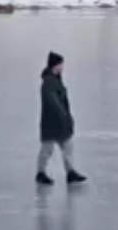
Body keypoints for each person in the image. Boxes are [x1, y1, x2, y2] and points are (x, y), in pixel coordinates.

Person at [37, 52, 86, 186]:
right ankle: (41, 173)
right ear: (56, 65)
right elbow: (53, 101)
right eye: (61, 64)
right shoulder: (49, 81)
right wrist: (63, 115)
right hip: (53, 122)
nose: (63, 67)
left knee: (66, 146)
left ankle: (70, 172)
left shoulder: (55, 79)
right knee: (48, 148)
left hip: (58, 122)